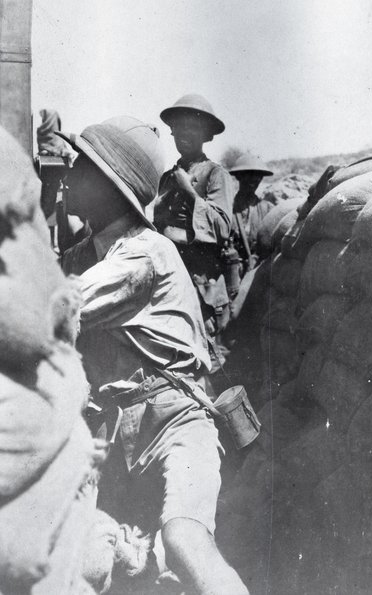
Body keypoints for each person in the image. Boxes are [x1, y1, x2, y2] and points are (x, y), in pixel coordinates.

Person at [60, 116, 248, 595]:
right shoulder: (83, 254)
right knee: (83, 551)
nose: (67, 173)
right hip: (112, 428)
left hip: (176, 424)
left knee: (184, 538)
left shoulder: (143, 254)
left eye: (83, 166)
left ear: (110, 187)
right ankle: (138, 559)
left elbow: (49, 307)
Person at [154, 94, 234, 344]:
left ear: (206, 134)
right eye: (179, 127)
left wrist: (189, 193)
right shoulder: (167, 177)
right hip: (169, 280)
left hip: (201, 283)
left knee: (205, 353)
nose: (184, 133)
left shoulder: (215, 173)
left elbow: (222, 227)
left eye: (193, 127)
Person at [229, 153, 274, 276]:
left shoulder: (268, 209)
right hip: (232, 271)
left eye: (258, 176)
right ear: (238, 177)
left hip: (258, 272)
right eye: (248, 174)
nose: (254, 179)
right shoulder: (227, 208)